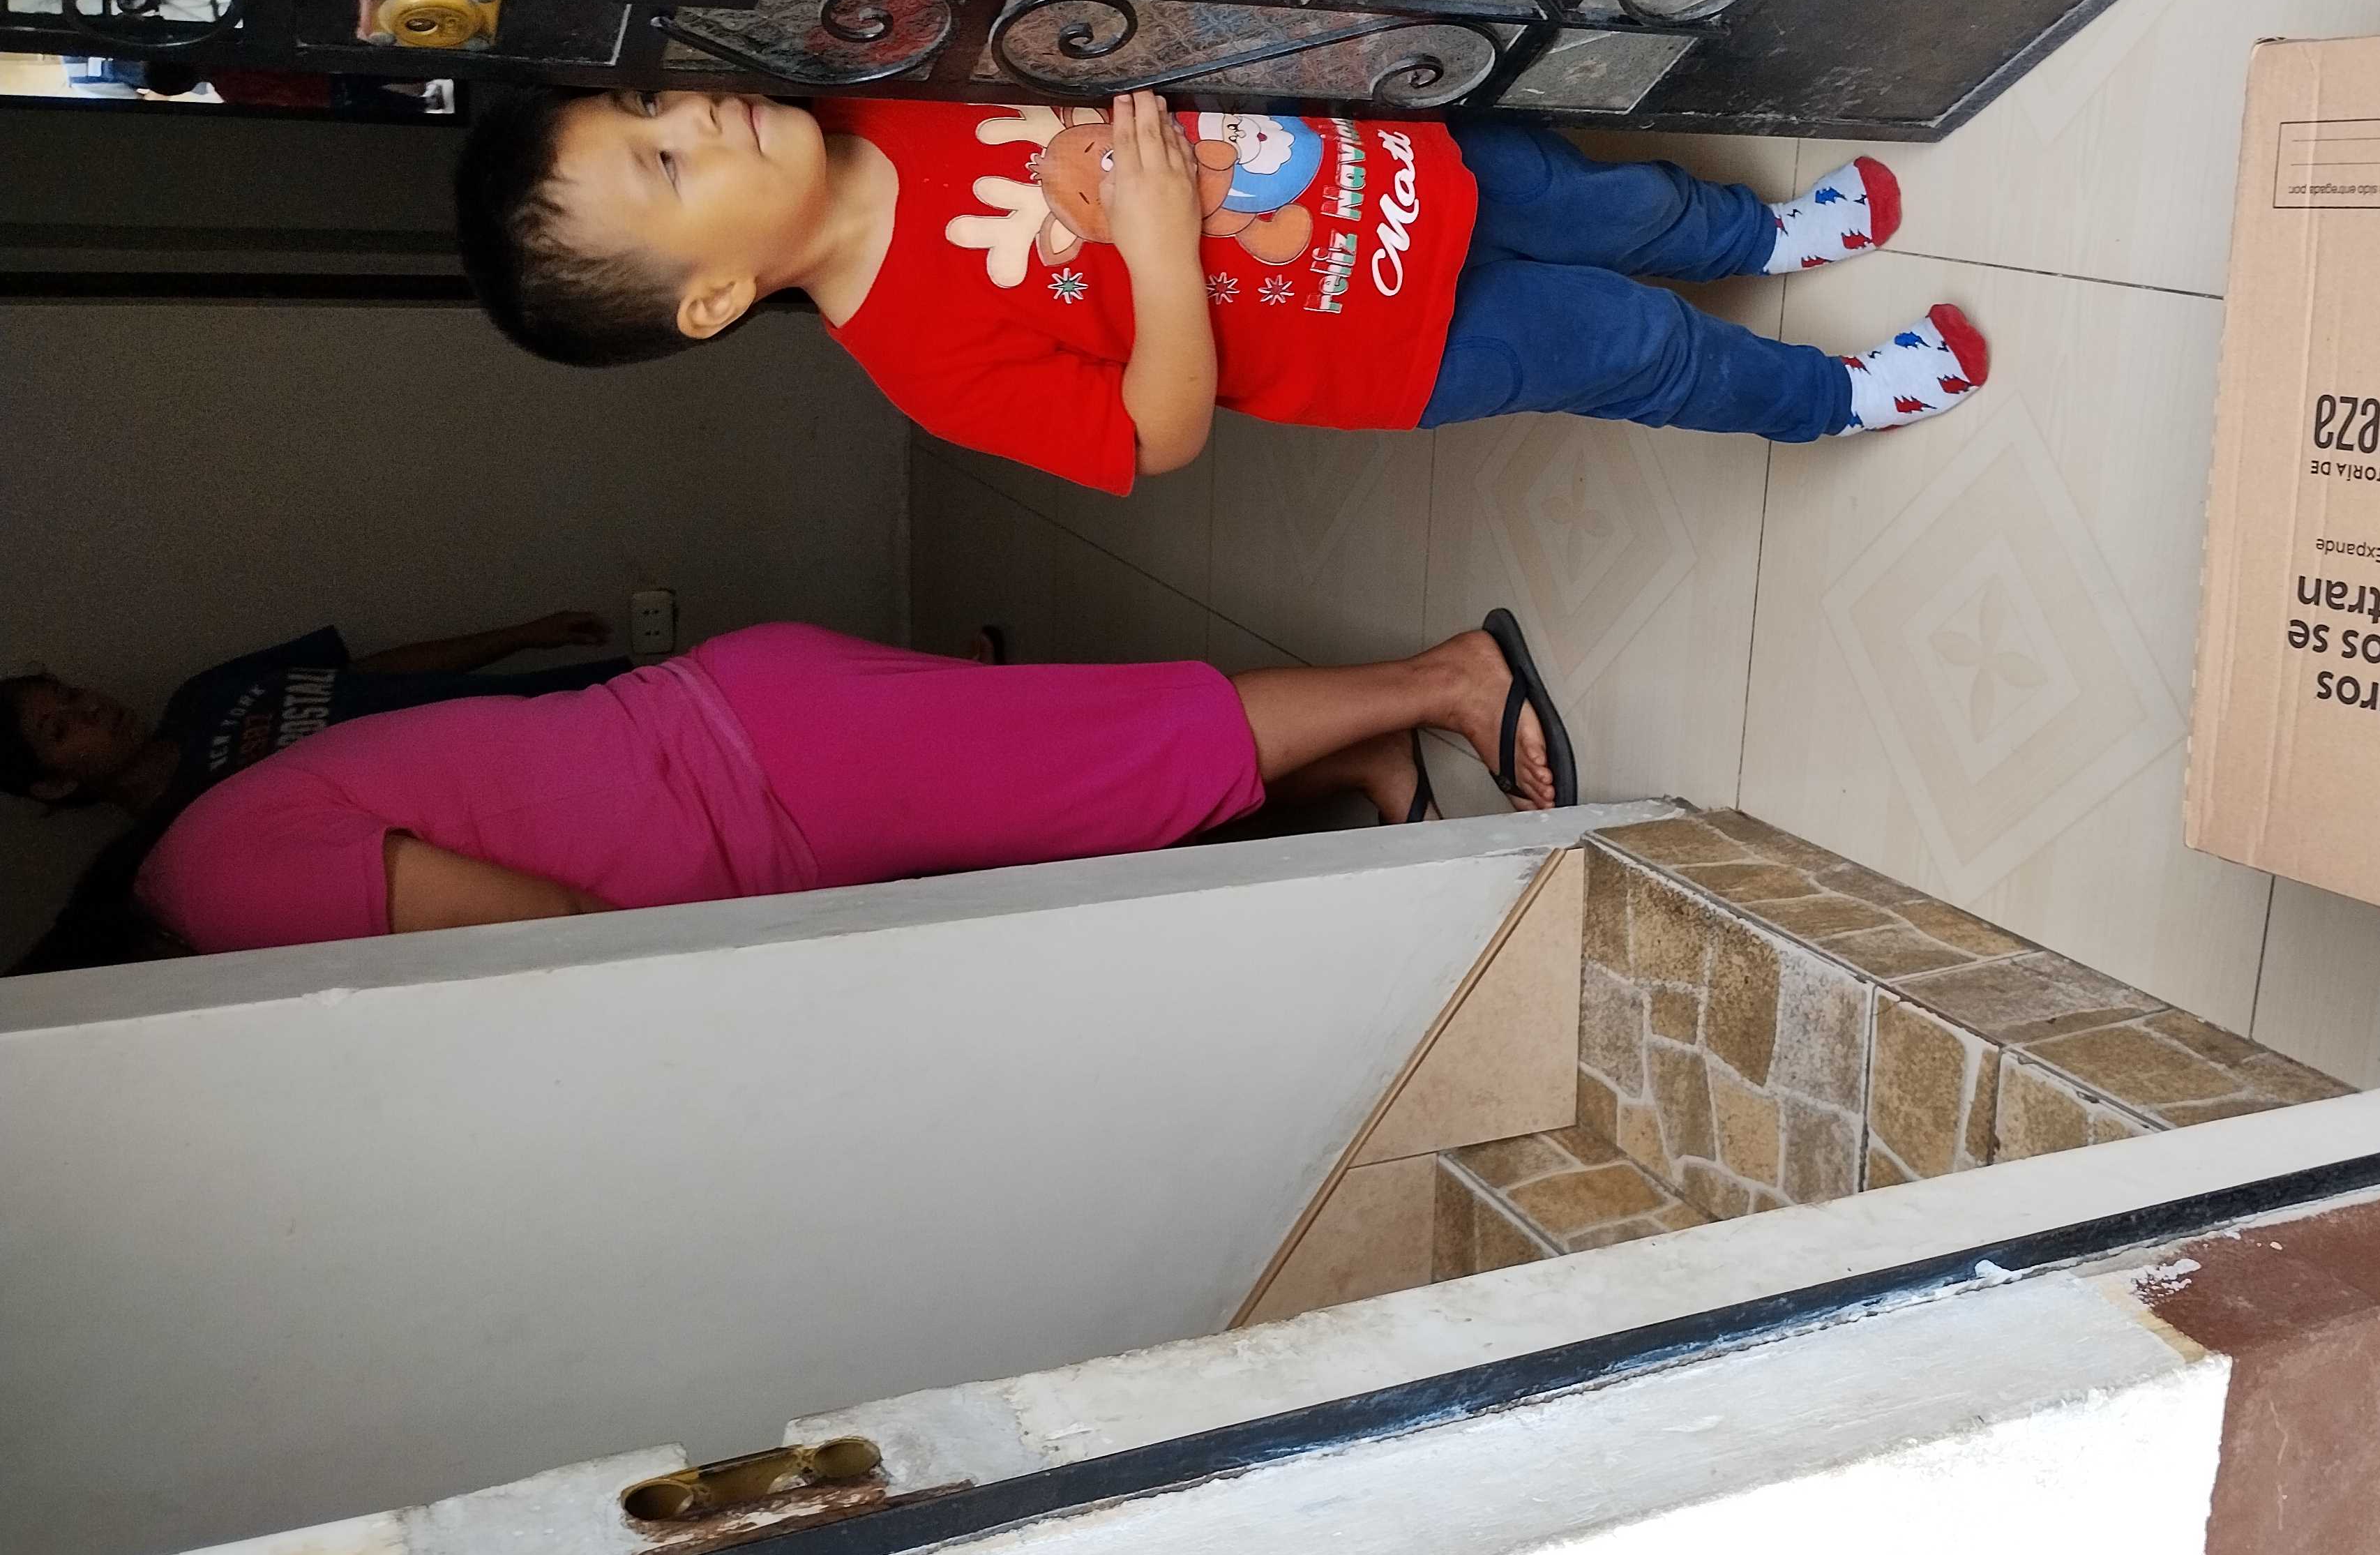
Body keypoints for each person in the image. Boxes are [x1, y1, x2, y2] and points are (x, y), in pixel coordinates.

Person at [455, 88, 1989, 498]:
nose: (696, 112)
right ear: (714, 298)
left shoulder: (882, 75)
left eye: (649, 101)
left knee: (1607, 198)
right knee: (1632, 342)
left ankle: (1763, 235)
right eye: (665, 162)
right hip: (1394, 345)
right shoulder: (922, 364)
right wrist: (1150, 244)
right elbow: (1157, 434)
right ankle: (1837, 399)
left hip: (1389, 170)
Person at [134, 612, 1577, 959]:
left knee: (1122, 760)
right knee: (1101, 807)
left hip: (767, 766)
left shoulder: (216, 886)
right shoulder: (203, 860)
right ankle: (1370, 750)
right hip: (760, 783)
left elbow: (547, 926)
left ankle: (1444, 678)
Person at [6, 611, 622, 972]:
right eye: (61, 729)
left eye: (70, 693)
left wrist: (520, 634)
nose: (89, 710)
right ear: (55, 782)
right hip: (554, 818)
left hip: (568, 708)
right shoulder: (198, 858)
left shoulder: (202, 694)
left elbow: (370, 672)